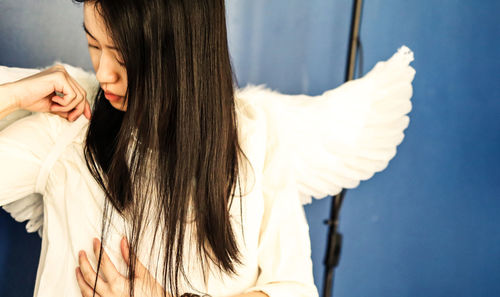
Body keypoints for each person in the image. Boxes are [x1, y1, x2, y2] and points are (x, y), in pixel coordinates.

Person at [0, 0, 416, 296]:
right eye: (94, 46)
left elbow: (292, 289)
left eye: (123, 57)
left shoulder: (256, 138)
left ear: (182, 56)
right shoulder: (69, 127)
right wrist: (15, 96)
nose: (104, 73)